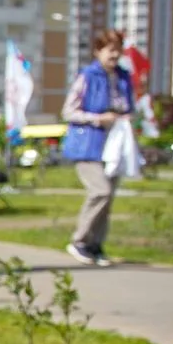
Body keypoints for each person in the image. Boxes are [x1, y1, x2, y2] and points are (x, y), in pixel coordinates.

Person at [62, 28, 135, 267]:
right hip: (88, 144)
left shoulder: (124, 77)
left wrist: (126, 118)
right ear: (98, 51)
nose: (114, 55)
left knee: (108, 198)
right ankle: (80, 240)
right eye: (110, 50)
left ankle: (96, 245)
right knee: (100, 191)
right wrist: (96, 118)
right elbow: (69, 111)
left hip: (114, 145)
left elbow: (128, 107)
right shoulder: (87, 76)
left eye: (118, 50)